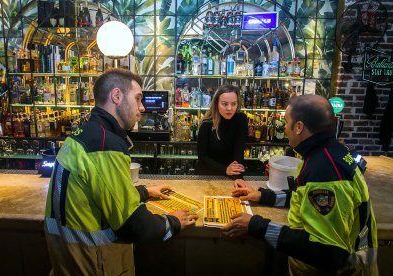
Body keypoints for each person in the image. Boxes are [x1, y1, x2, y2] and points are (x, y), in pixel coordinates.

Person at [44, 68, 197, 275]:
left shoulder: (84, 133)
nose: (142, 108)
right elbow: (135, 225)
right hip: (94, 263)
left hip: (66, 260)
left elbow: (100, 191)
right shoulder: (105, 144)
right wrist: (173, 222)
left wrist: (143, 192)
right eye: (138, 98)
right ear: (117, 96)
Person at [222, 94, 378, 274]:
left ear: (298, 127)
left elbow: (326, 252)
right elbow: (305, 198)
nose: (285, 129)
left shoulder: (325, 171)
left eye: (286, 122)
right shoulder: (327, 153)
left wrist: (256, 225)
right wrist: (264, 196)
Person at [197, 84, 248, 178]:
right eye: (224, 104)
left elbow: (239, 151)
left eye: (233, 104)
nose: (229, 108)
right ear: (216, 103)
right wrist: (225, 170)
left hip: (231, 174)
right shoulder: (206, 124)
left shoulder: (241, 120)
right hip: (208, 175)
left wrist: (238, 177)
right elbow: (202, 158)